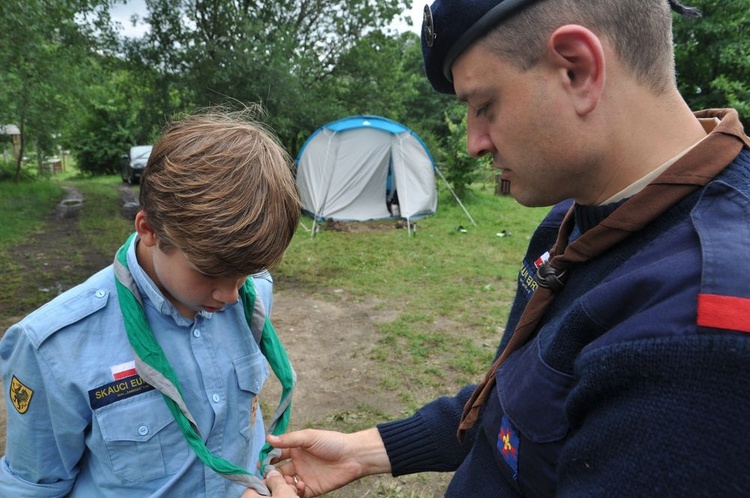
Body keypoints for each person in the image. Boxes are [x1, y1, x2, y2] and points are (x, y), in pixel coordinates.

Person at [261, 0, 750, 496]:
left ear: (577, 70)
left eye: (483, 105)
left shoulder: (700, 333)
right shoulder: (571, 221)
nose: (474, 142)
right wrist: (370, 449)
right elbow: (521, 399)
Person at [0, 107, 303, 497]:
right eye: (210, 273)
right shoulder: (53, 348)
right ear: (149, 230)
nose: (230, 295)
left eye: (244, 273)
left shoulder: (253, 294)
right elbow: (30, 489)